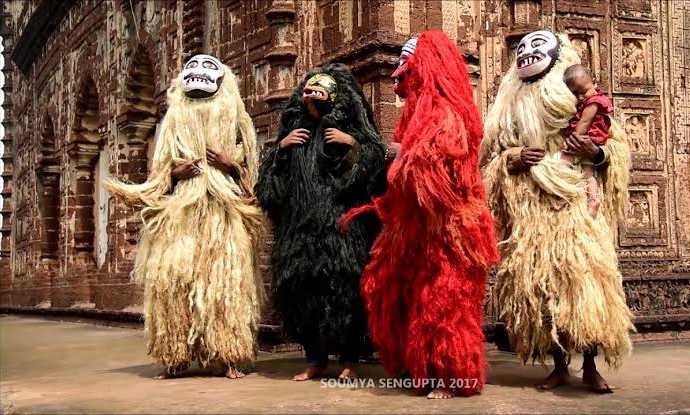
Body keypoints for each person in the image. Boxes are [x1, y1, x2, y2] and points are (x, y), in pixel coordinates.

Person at [341, 31, 499, 399]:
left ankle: (449, 375)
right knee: (404, 293)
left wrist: (401, 155)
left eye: (405, 67)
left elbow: (441, 170)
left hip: (446, 227)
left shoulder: (447, 114)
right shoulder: (416, 114)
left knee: (444, 300)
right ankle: (421, 368)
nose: (397, 75)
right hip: (415, 223)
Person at [480, 30, 634, 393]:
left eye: (538, 46)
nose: (529, 52)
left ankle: (591, 365)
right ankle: (559, 365)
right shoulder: (508, 114)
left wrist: (596, 153)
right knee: (542, 289)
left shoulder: (583, 102)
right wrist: (514, 157)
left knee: (585, 286)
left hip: (577, 205)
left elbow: (616, 149)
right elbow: (490, 162)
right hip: (533, 213)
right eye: (523, 48)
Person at [105, 54, 265, 379]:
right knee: (173, 285)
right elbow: (160, 174)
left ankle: (228, 356)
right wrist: (176, 173)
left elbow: (250, 173)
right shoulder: (173, 122)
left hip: (222, 214)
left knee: (225, 286)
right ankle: (174, 356)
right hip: (182, 214)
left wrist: (229, 165)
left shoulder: (236, 121)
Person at [255, 64, 386, 382]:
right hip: (301, 231)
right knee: (304, 292)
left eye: (319, 99)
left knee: (346, 291)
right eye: (308, 99)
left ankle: (350, 359)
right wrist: (281, 150)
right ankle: (315, 359)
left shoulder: (352, 131)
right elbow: (269, 189)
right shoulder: (295, 135)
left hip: (342, 230)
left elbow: (375, 168)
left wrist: (351, 144)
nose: (312, 104)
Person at [561, 64, 615, 217]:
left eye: (583, 92)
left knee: (564, 163)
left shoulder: (593, 103)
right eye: (575, 94)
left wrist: (573, 142)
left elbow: (584, 123)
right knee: (587, 173)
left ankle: (588, 199)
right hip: (586, 141)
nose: (580, 97)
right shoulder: (584, 101)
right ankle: (592, 199)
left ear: (594, 82)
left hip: (585, 140)